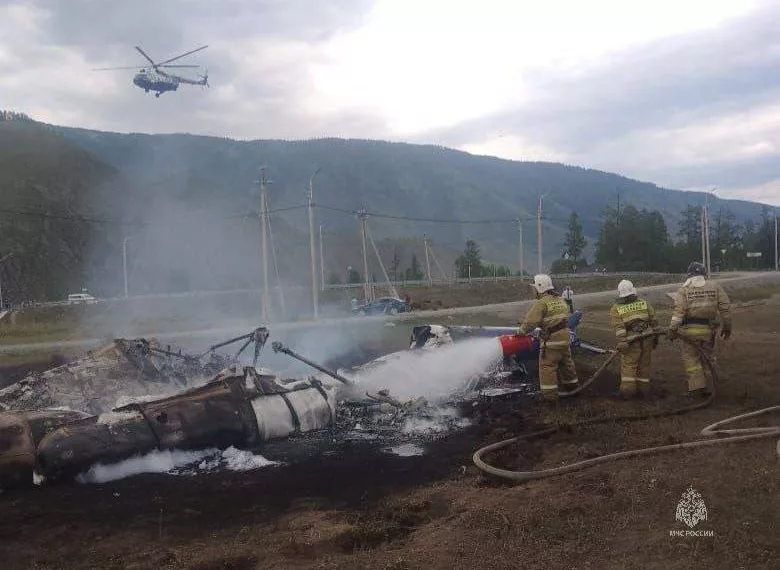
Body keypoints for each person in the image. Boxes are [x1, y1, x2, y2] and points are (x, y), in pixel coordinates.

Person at [667, 261, 732, 398]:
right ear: (704, 274)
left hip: (690, 332)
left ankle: (697, 389)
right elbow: (725, 308)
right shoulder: (715, 286)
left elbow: (678, 313)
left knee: (691, 360)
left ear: (689, 274)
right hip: (709, 332)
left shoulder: (684, 290)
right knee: (707, 358)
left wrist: (672, 330)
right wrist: (727, 327)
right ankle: (712, 385)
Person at [517, 274, 579, 400]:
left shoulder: (541, 303)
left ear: (540, 287)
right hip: (565, 339)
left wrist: (520, 331)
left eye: (534, 288)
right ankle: (573, 387)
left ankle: (550, 397)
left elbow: (530, 323)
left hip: (552, 341)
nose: (533, 290)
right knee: (566, 363)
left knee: (547, 366)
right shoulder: (560, 300)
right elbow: (563, 317)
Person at [609, 280, 659, 398]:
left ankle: (628, 392)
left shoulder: (616, 308)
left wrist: (622, 341)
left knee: (629, 365)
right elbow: (654, 321)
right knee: (644, 365)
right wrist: (655, 336)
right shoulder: (643, 302)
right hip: (647, 338)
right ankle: (644, 390)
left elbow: (619, 327)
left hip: (632, 341)